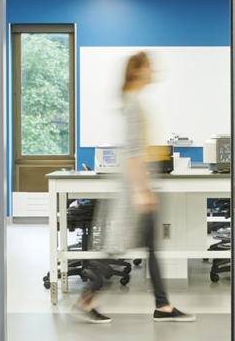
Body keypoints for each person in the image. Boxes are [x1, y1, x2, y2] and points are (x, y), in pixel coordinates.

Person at [74, 52, 195, 324]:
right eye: (150, 66)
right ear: (138, 71)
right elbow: (132, 154)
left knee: (147, 246)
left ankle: (162, 306)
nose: (154, 70)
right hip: (134, 192)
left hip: (138, 188)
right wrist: (142, 191)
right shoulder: (132, 105)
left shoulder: (134, 102)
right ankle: (87, 298)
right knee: (117, 246)